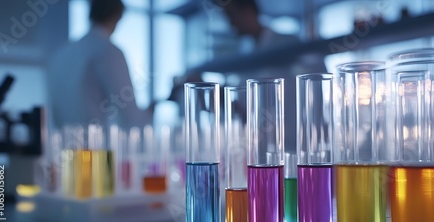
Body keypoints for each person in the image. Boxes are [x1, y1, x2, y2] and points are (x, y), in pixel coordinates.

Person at [170, 0, 327, 151]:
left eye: (232, 15)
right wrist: (214, 96)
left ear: (249, 11)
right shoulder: (244, 55)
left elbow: (314, 87)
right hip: (261, 149)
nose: (230, 23)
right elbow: (244, 111)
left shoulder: (287, 44)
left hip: (297, 146)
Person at [48, 0, 154, 130]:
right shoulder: (108, 51)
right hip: (97, 149)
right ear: (117, 17)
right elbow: (131, 118)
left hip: (64, 148)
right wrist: (152, 110)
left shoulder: (61, 54)